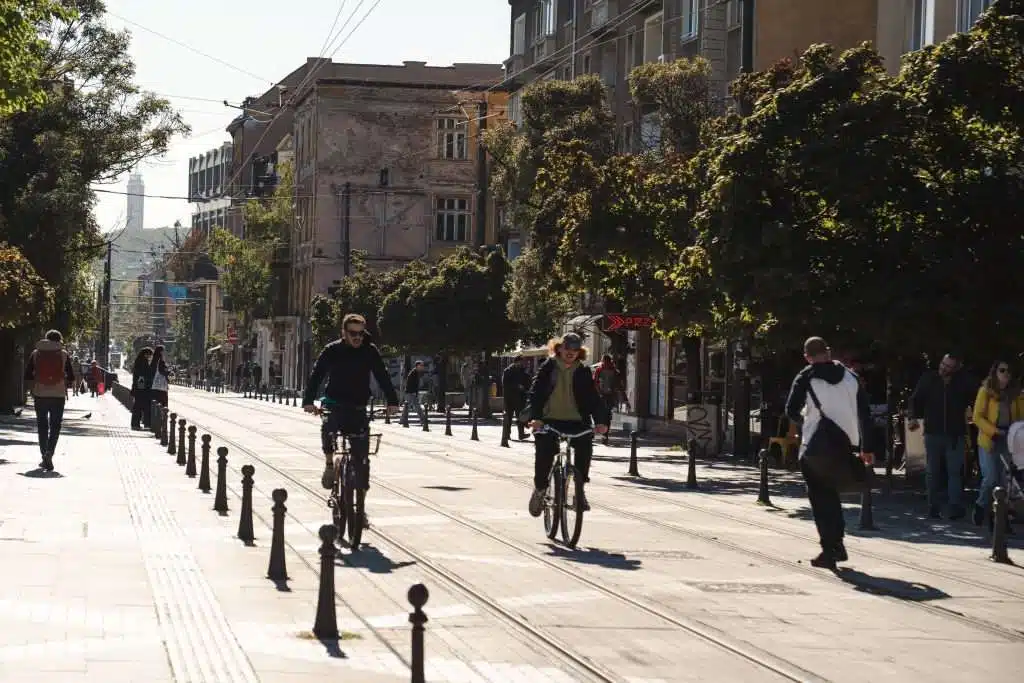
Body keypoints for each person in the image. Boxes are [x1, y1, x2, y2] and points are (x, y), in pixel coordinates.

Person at [784, 336, 874, 570]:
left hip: (815, 446)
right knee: (832, 494)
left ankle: (831, 547)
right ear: (829, 351)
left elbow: (791, 409)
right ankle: (837, 544)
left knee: (820, 497)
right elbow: (865, 414)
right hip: (845, 444)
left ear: (807, 356)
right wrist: (867, 447)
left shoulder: (806, 376)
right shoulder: (851, 377)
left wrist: (807, 422)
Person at [302, 313, 400, 526]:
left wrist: (393, 401)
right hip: (334, 402)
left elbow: (382, 375)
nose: (357, 338)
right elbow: (317, 375)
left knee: (362, 460)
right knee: (328, 428)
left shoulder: (369, 351)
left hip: (358, 406)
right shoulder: (332, 350)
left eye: (361, 333)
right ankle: (329, 464)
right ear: (343, 333)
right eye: (353, 333)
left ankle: (361, 508)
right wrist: (309, 401)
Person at [526, 333, 610, 515]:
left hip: (577, 421)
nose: (571, 353)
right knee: (544, 452)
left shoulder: (583, 371)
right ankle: (540, 489)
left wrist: (601, 421)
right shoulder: (548, 367)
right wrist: (536, 418)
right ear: (559, 348)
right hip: (549, 420)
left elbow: (593, 399)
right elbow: (536, 393)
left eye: (575, 350)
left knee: (585, 446)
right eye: (567, 349)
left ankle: (580, 490)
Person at [907, 353, 976, 519]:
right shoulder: (929, 378)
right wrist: (912, 417)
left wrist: (971, 412)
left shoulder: (962, 382)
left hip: (955, 433)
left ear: (956, 369)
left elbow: (975, 399)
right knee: (933, 471)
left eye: (949, 367)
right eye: (943, 364)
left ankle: (954, 507)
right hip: (933, 432)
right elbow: (915, 400)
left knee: (955, 472)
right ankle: (933, 506)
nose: (944, 368)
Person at [971, 359, 1024, 528]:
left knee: (1005, 481)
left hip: (1009, 439)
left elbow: (1020, 418)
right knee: (991, 477)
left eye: (1008, 371)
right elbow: (977, 417)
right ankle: (980, 505)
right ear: (995, 372)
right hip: (990, 439)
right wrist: (994, 431)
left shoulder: (1016, 394)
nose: (1005, 374)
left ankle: (999, 521)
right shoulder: (985, 391)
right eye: (1002, 370)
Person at [24, 330, 76, 470]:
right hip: (58, 395)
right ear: (59, 340)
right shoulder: (64, 354)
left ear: (46, 339)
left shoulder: (35, 354)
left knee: (42, 426)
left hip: (40, 394)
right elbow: (71, 377)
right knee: (55, 426)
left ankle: (44, 455)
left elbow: (27, 374)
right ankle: (49, 453)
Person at [501, 354, 531, 440]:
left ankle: (521, 434)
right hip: (510, 398)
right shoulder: (508, 371)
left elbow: (527, 382)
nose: (522, 364)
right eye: (521, 362)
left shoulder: (522, 371)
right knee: (508, 417)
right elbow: (505, 384)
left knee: (520, 417)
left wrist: (526, 386)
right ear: (516, 362)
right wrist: (516, 386)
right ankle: (506, 435)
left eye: (522, 362)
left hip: (520, 398)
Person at [130, 347, 154, 430]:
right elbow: (142, 377)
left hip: (139, 388)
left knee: (137, 406)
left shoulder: (139, 362)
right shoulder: (143, 363)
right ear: (145, 354)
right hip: (142, 389)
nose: (150, 357)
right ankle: (137, 424)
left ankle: (135, 424)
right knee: (140, 406)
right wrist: (143, 388)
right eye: (149, 355)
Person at [150, 345, 171, 410]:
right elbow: (162, 371)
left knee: (155, 405)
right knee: (163, 405)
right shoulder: (161, 361)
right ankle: (163, 418)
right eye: (164, 351)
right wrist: (169, 372)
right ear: (161, 352)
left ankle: (155, 418)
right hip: (161, 387)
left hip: (154, 386)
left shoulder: (153, 361)